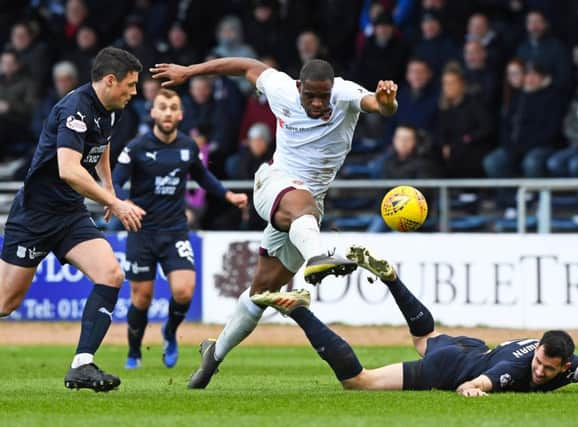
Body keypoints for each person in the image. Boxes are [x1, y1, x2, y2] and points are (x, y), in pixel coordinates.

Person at [151, 56, 398, 389]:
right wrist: (189, 72)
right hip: (273, 183)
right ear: (298, 87)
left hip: (306, 213)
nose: (316, 102)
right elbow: (244, 65)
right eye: (309, 95)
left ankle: (214, 354)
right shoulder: (281, 88)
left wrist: (386, 104)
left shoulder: (344, 93)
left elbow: (376, 105)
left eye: (322, 96)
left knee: (262, 293)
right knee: (302, 204)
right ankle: (317, 257)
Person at [253, 245, 578, 395]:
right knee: (360, 382)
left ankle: (391, 279)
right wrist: (473, 390)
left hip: (468, 347)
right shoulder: (515, 370)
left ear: (566, 365)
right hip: (453, 367)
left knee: (425, 336)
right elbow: (478, 384)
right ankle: (299, 310)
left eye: (548, 370)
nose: (539, 372)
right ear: (537, 350)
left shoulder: (574, 365)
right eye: (539, 363)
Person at [0, 47, 145, 392]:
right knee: (6, 302)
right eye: (131, 84)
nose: (135, 92)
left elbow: (101, 145)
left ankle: (82, 365)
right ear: (110, 81)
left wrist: (108, 183)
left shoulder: (111, 108)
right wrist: (114, 201)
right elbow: (68, 169)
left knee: (111, 273)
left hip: (69, 214)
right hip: (35, 215)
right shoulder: (74, 108)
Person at [113, 88, 247, 370]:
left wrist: (227, 195)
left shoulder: (188, 147)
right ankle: (134, 351)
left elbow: (204, 177)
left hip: (175, 230)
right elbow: (115, 181)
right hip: (142, 231)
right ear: (153, 112)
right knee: (141, 297)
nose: (168, 113)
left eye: (173, 107)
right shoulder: (135, 148)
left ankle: (169, 332)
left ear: (181, 114)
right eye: (162, 107)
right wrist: (118, 203)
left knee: (185, 292)